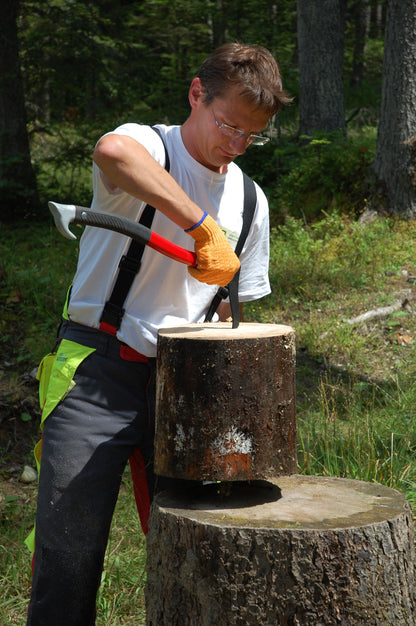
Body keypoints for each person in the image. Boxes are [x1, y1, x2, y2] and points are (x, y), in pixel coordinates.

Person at [26, 42, 291, 624]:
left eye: (253, 134)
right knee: (68, 554)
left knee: (195, 550)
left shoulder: (249, 199)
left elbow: (230, 313)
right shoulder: (151, 147)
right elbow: (111, 151)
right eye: (229, 124)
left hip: (188, 386)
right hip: (95, 373)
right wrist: (200, 226)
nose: (238, 143)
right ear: (197, 94)